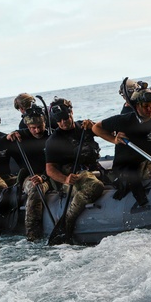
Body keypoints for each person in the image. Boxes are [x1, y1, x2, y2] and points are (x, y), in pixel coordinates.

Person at [44, 97, 105, 241]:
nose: (63, 122)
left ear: (71, 112)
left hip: (93, 168)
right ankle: (67, 220)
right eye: (59, 120)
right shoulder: (53, 140)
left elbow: (108, 134)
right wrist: (65, 179)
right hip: (73, 176)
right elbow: (50, 169)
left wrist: (94, 126)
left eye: (65, 118)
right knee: (95, 186)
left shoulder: (84, 128)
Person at [0, 105, 50, 241]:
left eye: (40, 126)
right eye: (33, 127)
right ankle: (33, 236)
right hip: (33, 176)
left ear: (45, 122)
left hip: (55, 174)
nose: (37, 130)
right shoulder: (21, 136)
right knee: (36, 188)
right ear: (27, 126)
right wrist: (6, 138)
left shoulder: (51, 135)